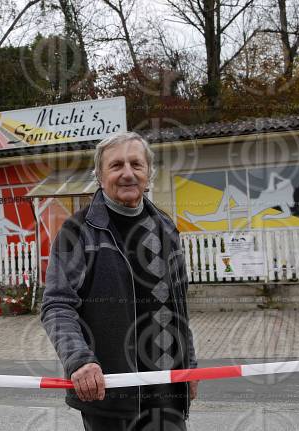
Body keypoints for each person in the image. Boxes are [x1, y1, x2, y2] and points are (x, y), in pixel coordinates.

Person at [41, 131, 198, 430]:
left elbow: (180, 306)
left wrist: (189, 366)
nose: (128, 173)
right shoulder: (77, 232)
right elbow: (57, 306)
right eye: (116, 166)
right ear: (100, 176)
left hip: (168, 392)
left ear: (148, 174)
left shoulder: (166, 229)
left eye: (136, 164)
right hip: (112, 395)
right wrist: (79, 360)